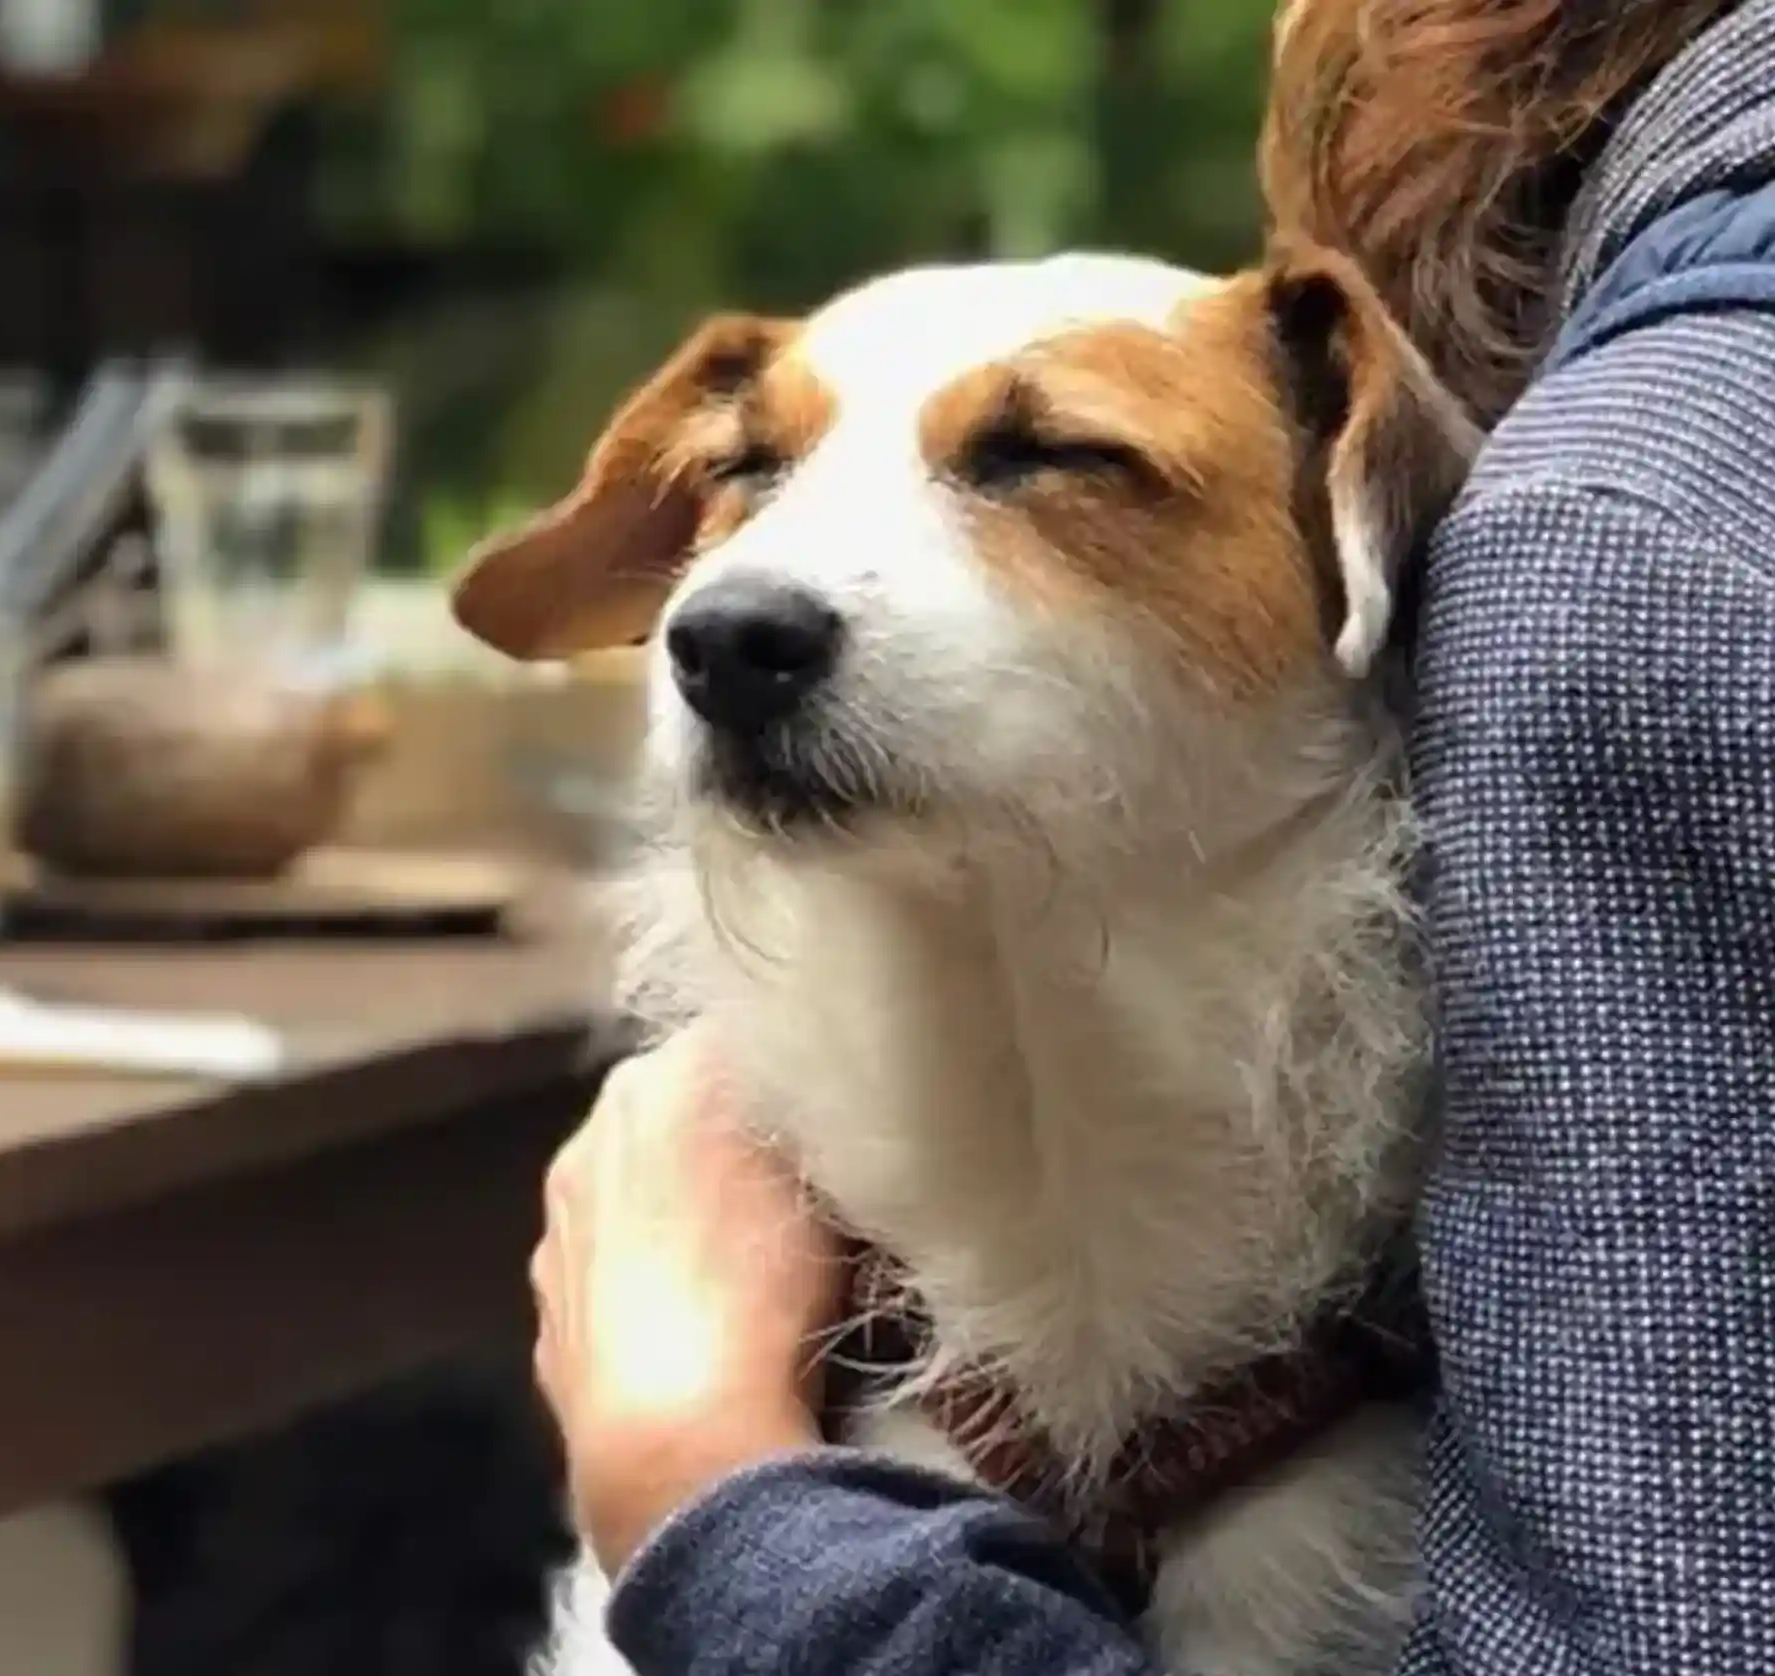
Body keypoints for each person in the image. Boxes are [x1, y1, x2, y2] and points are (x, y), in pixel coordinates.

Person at [527, 0, 1775, 1671]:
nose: (741, 607)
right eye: (752, 472)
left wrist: (705, 1487)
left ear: (1370, 545)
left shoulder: (1628, 514)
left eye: (1049, 458)